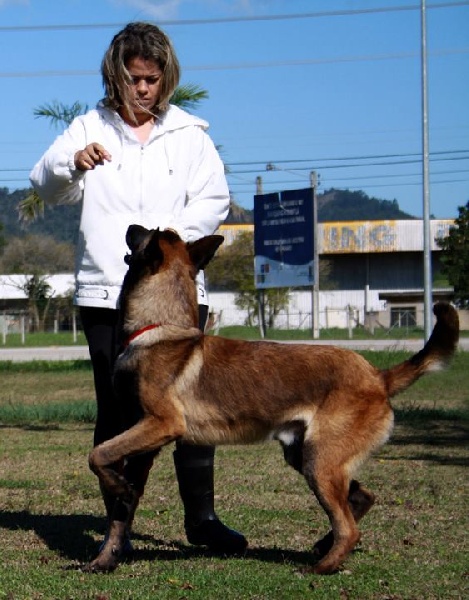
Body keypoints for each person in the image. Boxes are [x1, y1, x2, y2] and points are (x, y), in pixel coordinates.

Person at [30, 21, 247, 555]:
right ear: (116, 76)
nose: (143, 89)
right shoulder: (88, 127)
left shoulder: (190, 136)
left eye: (152, 79)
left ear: (166, 78)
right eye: (133, 78)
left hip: (174, 296)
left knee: (191, 405)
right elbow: (43, 181)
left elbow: (213, 201)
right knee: (117, 410)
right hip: (108, 295)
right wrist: (71, 164)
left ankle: (202, 520)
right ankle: (117, 530)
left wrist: (166, 242)